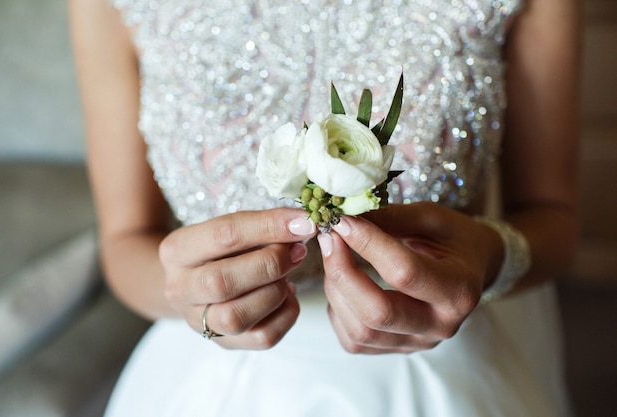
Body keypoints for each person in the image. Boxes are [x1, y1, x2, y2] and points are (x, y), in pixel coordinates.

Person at [69, 0, 581, 415]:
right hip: (213, 379)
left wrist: (490, 256)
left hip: (435, 374)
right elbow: (124, 240)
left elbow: (552, 217)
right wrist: (191, 298)